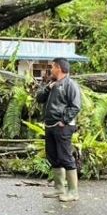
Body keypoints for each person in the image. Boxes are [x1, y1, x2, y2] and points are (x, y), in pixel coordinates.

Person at [36, 57, 83, 202]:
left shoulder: (70, 84)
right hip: (50, 125)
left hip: (63, 126)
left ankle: (73, 192)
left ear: (59, 68)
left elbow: (75, 106)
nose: (51, 69)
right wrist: (48, 88)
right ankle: (59, 188)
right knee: (53, 156)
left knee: (65, 157)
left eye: (52, 67)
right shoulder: (52, 84)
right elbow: (39, 98)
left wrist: (64, 121)